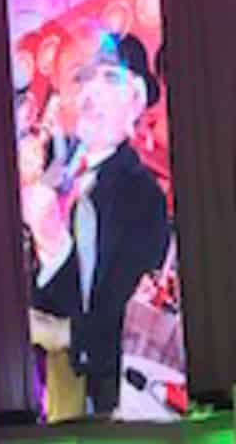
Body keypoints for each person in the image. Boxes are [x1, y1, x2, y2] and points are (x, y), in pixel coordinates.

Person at [28, 29, 170, 416]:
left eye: (109, 77)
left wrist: (54, 246)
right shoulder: (61, 183)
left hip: (118, 400)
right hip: (55, 395)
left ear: (136, 100)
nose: (91, 93)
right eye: (83, 78)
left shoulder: (140, 194)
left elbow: (121, 315)